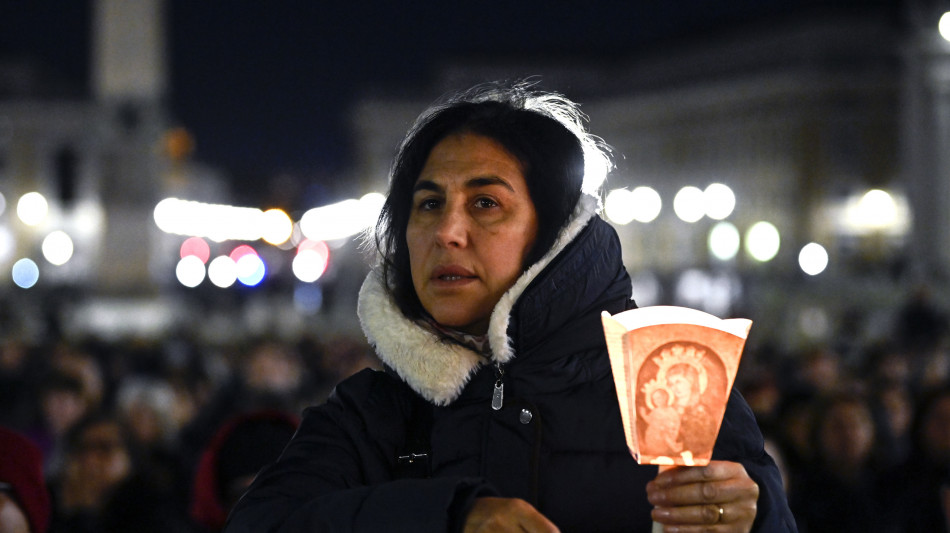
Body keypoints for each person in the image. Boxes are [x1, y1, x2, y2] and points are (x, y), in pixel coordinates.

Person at [225, 82, 796, 532]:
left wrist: (755, 517)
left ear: (553, 233)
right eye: (428, 203)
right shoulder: (368, 415)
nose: (447, 231)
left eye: (485, 202)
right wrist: (445, 518)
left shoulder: (670, 385)